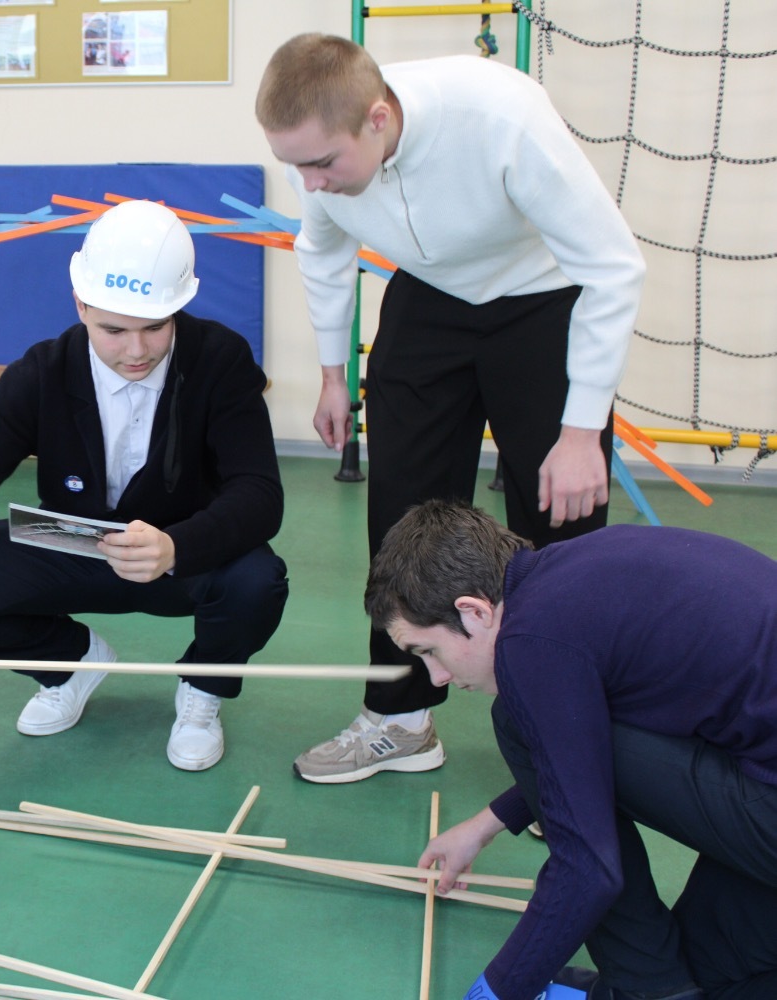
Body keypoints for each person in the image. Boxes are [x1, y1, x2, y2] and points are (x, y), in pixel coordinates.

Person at [254, 33, 647, 783]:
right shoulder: (323, 156)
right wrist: (334, 375)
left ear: (377, 119)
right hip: (430, 301)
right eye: (294, 165)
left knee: (558, 526)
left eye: (322, 163)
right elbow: (322, 252)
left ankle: (565, 739)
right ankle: (399, 718)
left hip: (541, 298)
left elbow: (614, 267)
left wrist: (581, 432)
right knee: (400, 520)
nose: (311, 182)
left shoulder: (501, 116)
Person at [0, 199, 289, 771]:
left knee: (257, 581)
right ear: (80, 304)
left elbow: (260, 494)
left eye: (155, 327)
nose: (136, 351)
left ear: (179, 308)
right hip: (67, 534)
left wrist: (177, 546)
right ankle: (71, 664)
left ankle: (203, 689)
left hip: (179, 544)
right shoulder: (40, 373)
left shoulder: (221, 359)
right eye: (113, 329)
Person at [367, 500, 777, 1000]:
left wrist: (495, 991)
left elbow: (588, 867)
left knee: (515, 719)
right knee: (707, 967)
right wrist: (488, 822)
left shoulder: (530, 643)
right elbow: (580, 738)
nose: (437, 677)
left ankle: (647, 990)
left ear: (474, 612)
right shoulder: (575, 573)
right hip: (761, 775)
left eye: (429, 651)